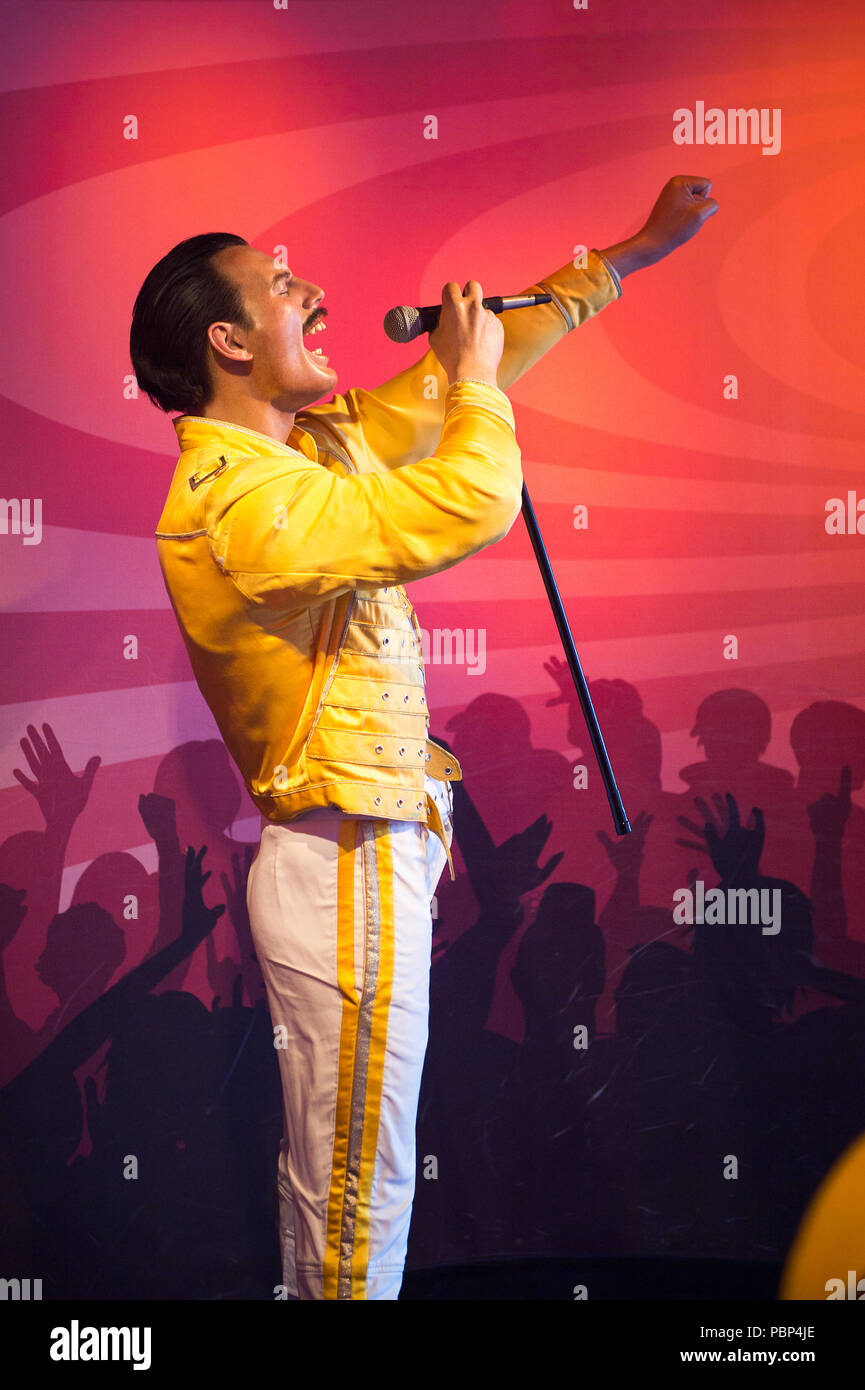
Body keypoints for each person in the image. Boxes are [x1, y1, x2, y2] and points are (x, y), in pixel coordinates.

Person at [130, 173, 718, 1300]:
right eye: (278, 284)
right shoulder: (235, 496)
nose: (310, 290)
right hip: (342, 853)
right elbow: (463, 500)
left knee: (349, 1170)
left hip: (365, 853)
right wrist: (479, 384)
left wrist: (629, 256)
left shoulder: (309, 448)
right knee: (358, 1180)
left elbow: (457, 377)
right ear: (227, 339)